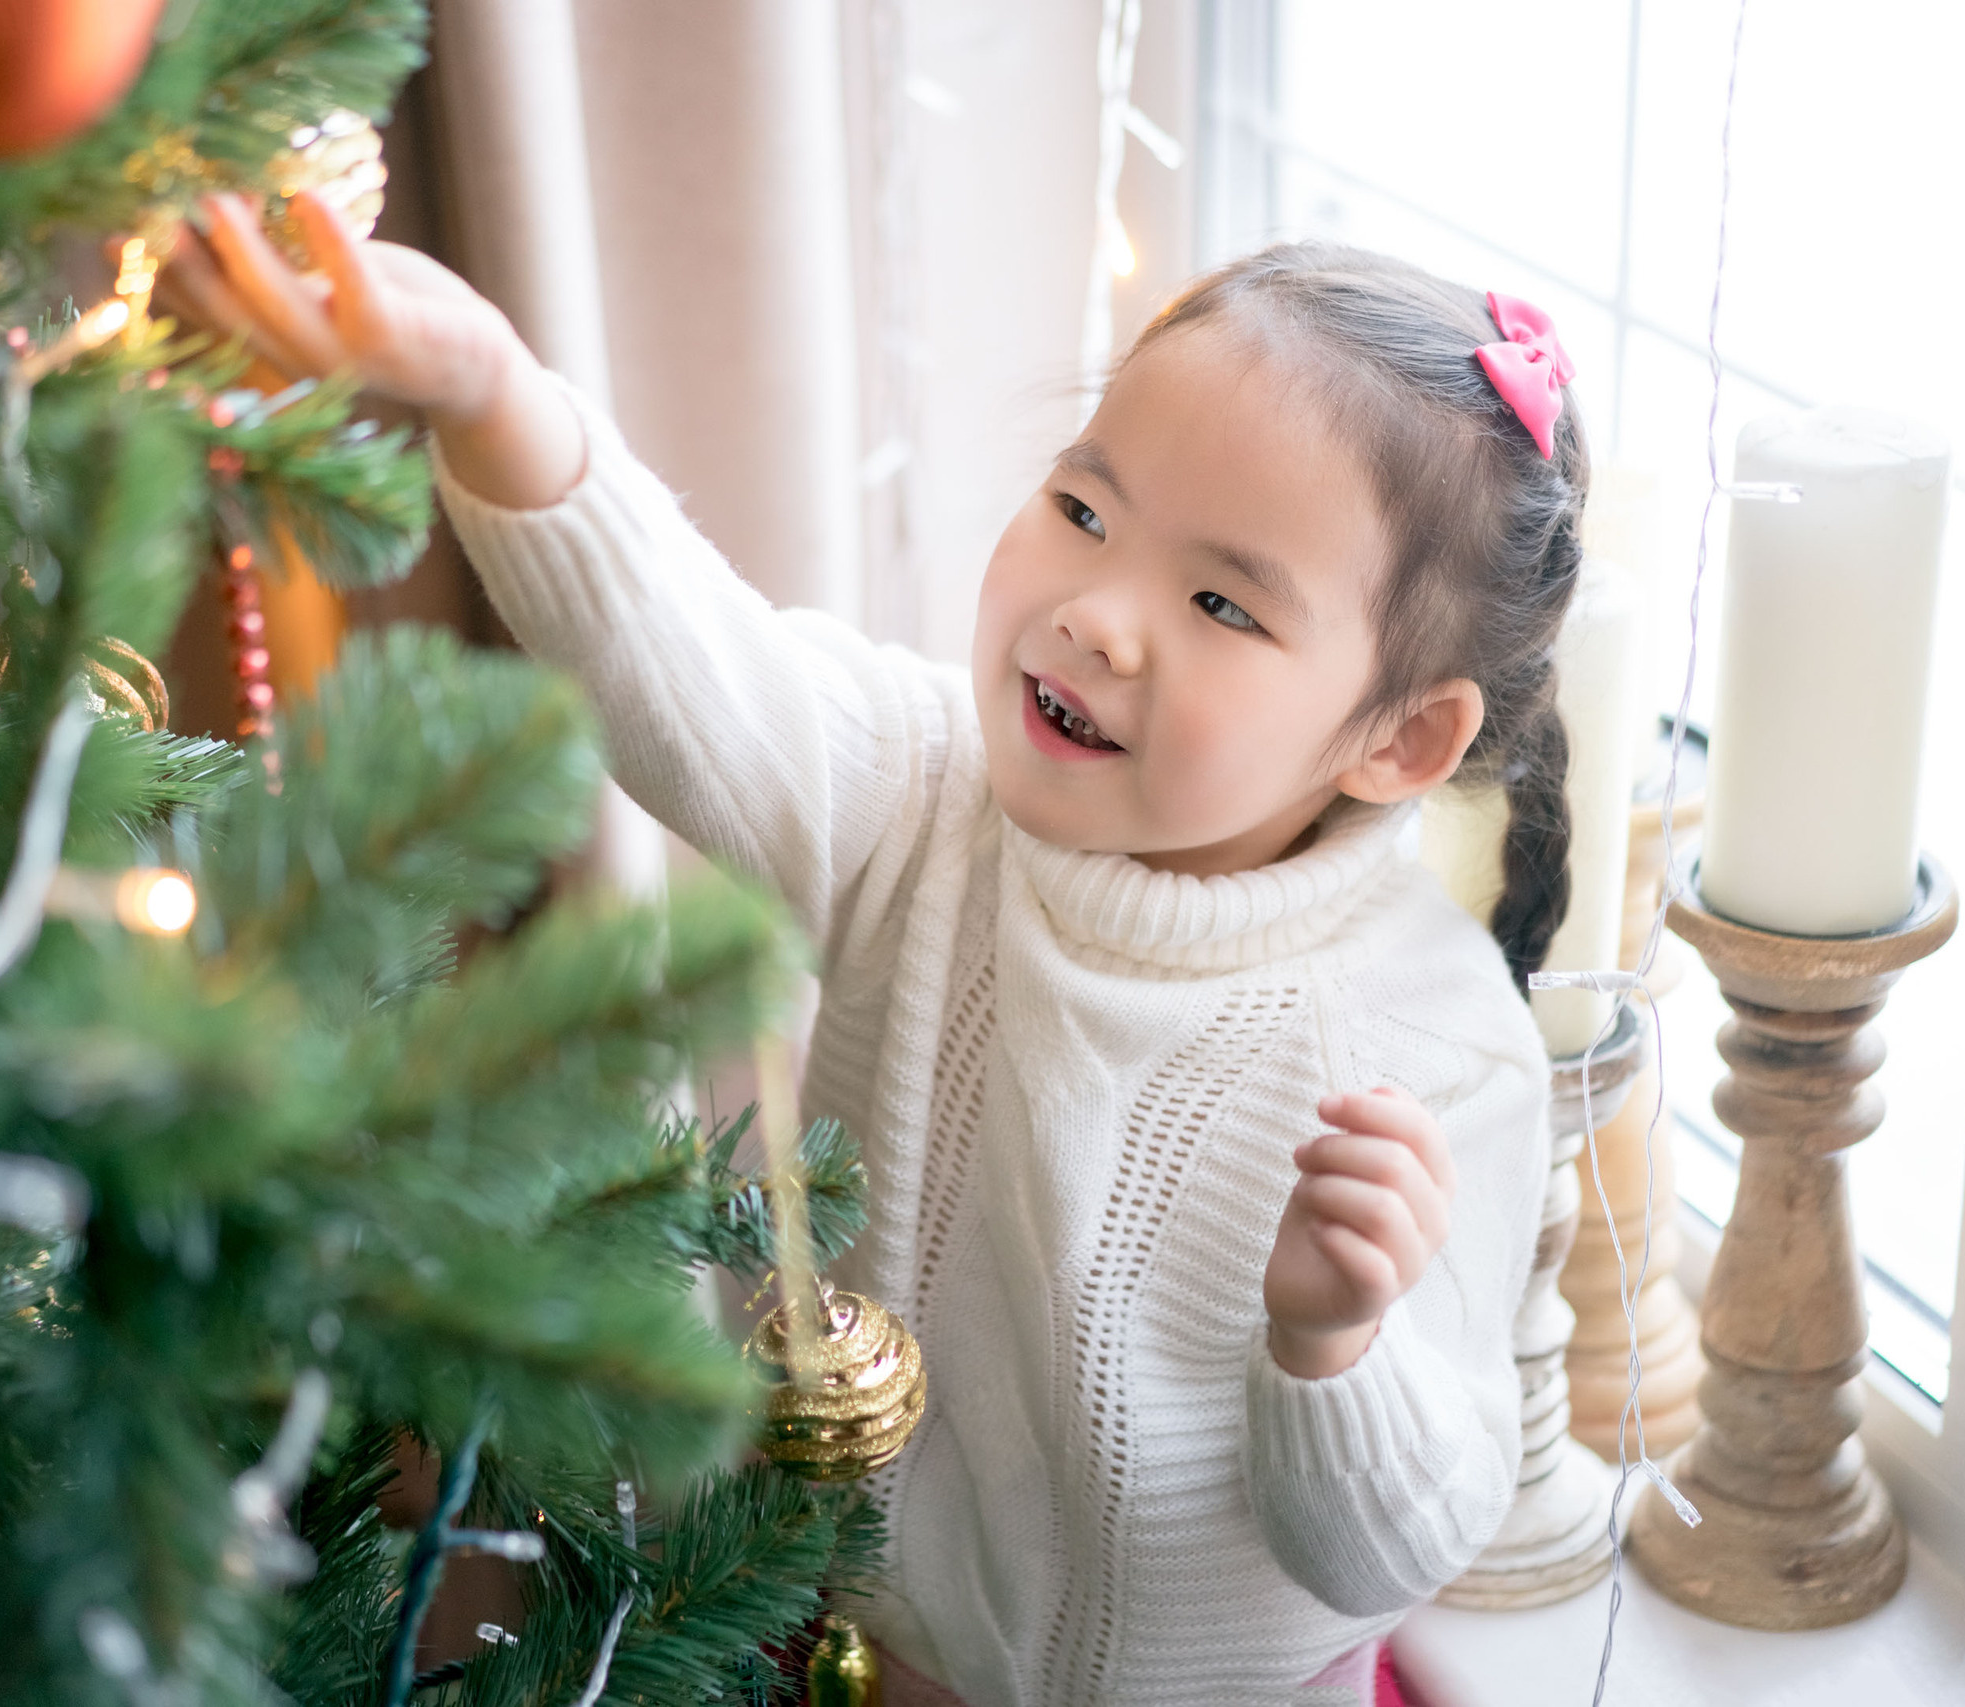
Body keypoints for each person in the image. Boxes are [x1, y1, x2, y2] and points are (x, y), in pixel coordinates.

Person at [175, 193, 1580, 1707]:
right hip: (840, 1655)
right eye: (1084, 510)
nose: (1098, 617)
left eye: (1222, 602)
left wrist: (1334, 1348)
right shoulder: (922, 792)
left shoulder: (1433, 1054)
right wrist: (494, 393)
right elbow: (686, 657)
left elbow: (1400, 1550)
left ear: (1398, 739)